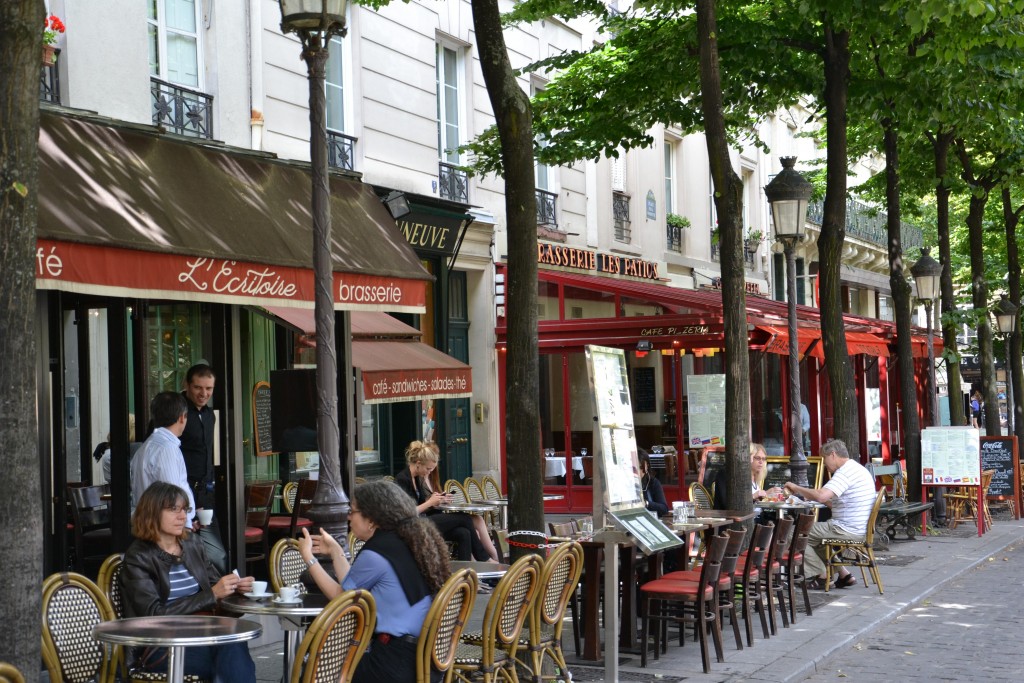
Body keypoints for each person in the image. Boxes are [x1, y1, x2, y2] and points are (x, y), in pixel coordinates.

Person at [298, 481, 449, 682]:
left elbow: (341, 598)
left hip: (393, 662)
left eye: (352, 512)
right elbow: (353, 589)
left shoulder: (377, 552)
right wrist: (336, 552)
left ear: (371, 519)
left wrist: (308, 557)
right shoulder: (410, 540)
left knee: (313, 671)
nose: (348, 517)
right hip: (427, 658)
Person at [120, 482, 257, 682]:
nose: (182, 516)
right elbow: (152, 615)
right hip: (163, 645)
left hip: (205, 634)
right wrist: (212, 594)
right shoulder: (138, 556)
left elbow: (216, 591)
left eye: (184, 509)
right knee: (230, 655)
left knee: (233, 642)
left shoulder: (192, 543)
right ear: (152, 512)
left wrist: (237, 589)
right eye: (173, 509)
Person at [774, 438, 875, 589]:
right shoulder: (857, 469)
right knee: (813, 537)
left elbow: (822, 495)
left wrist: (796, 488)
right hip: (855, 527)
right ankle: (844, 574)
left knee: (793, 533)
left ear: (833, 455)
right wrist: (810, 498)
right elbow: (836, 502)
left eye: (824, 458)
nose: (825, 464)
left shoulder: (845, 472)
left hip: (844, 529)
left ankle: (822, 575)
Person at [394, 440, 499, 562]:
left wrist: (438, 501)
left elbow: (422, 505)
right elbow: (404, 513)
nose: (429, 472)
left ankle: (465, 573)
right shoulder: (402, 479)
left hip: (423, 520)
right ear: (418, 464)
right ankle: (485, 559)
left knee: (464, 533)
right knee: (465, 518)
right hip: (412, 525)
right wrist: (430, 503)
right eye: (428, 469)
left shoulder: (417, 478)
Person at [131, 392, 197, 529]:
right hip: (165, 530)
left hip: (152, 525)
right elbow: (173, 496)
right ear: (182, 417)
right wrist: (185, 525)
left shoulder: (146, 447)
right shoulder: (167, 449)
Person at [181, 364, 217, 510]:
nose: (204, 393)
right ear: (187, 385)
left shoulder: (210, 415)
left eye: (209, 388)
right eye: (198, 387)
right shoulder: (175, 410)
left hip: (206, 493)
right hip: (181, 492)